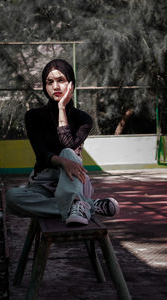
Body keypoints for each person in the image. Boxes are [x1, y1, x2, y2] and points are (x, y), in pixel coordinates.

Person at [6, 59, 119, 225]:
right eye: (50, 82)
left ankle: (76, 203)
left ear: (71, 84)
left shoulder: (83, 119)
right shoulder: (33, 116)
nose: (56, 87)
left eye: (61, 80)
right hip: (43, 183)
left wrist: (61, 109)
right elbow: (41, 153)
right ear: (45, 87)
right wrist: (61, 162)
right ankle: (88, 206)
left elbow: (68, 146)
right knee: (12, 197)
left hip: (72, 179)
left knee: (68, 153)